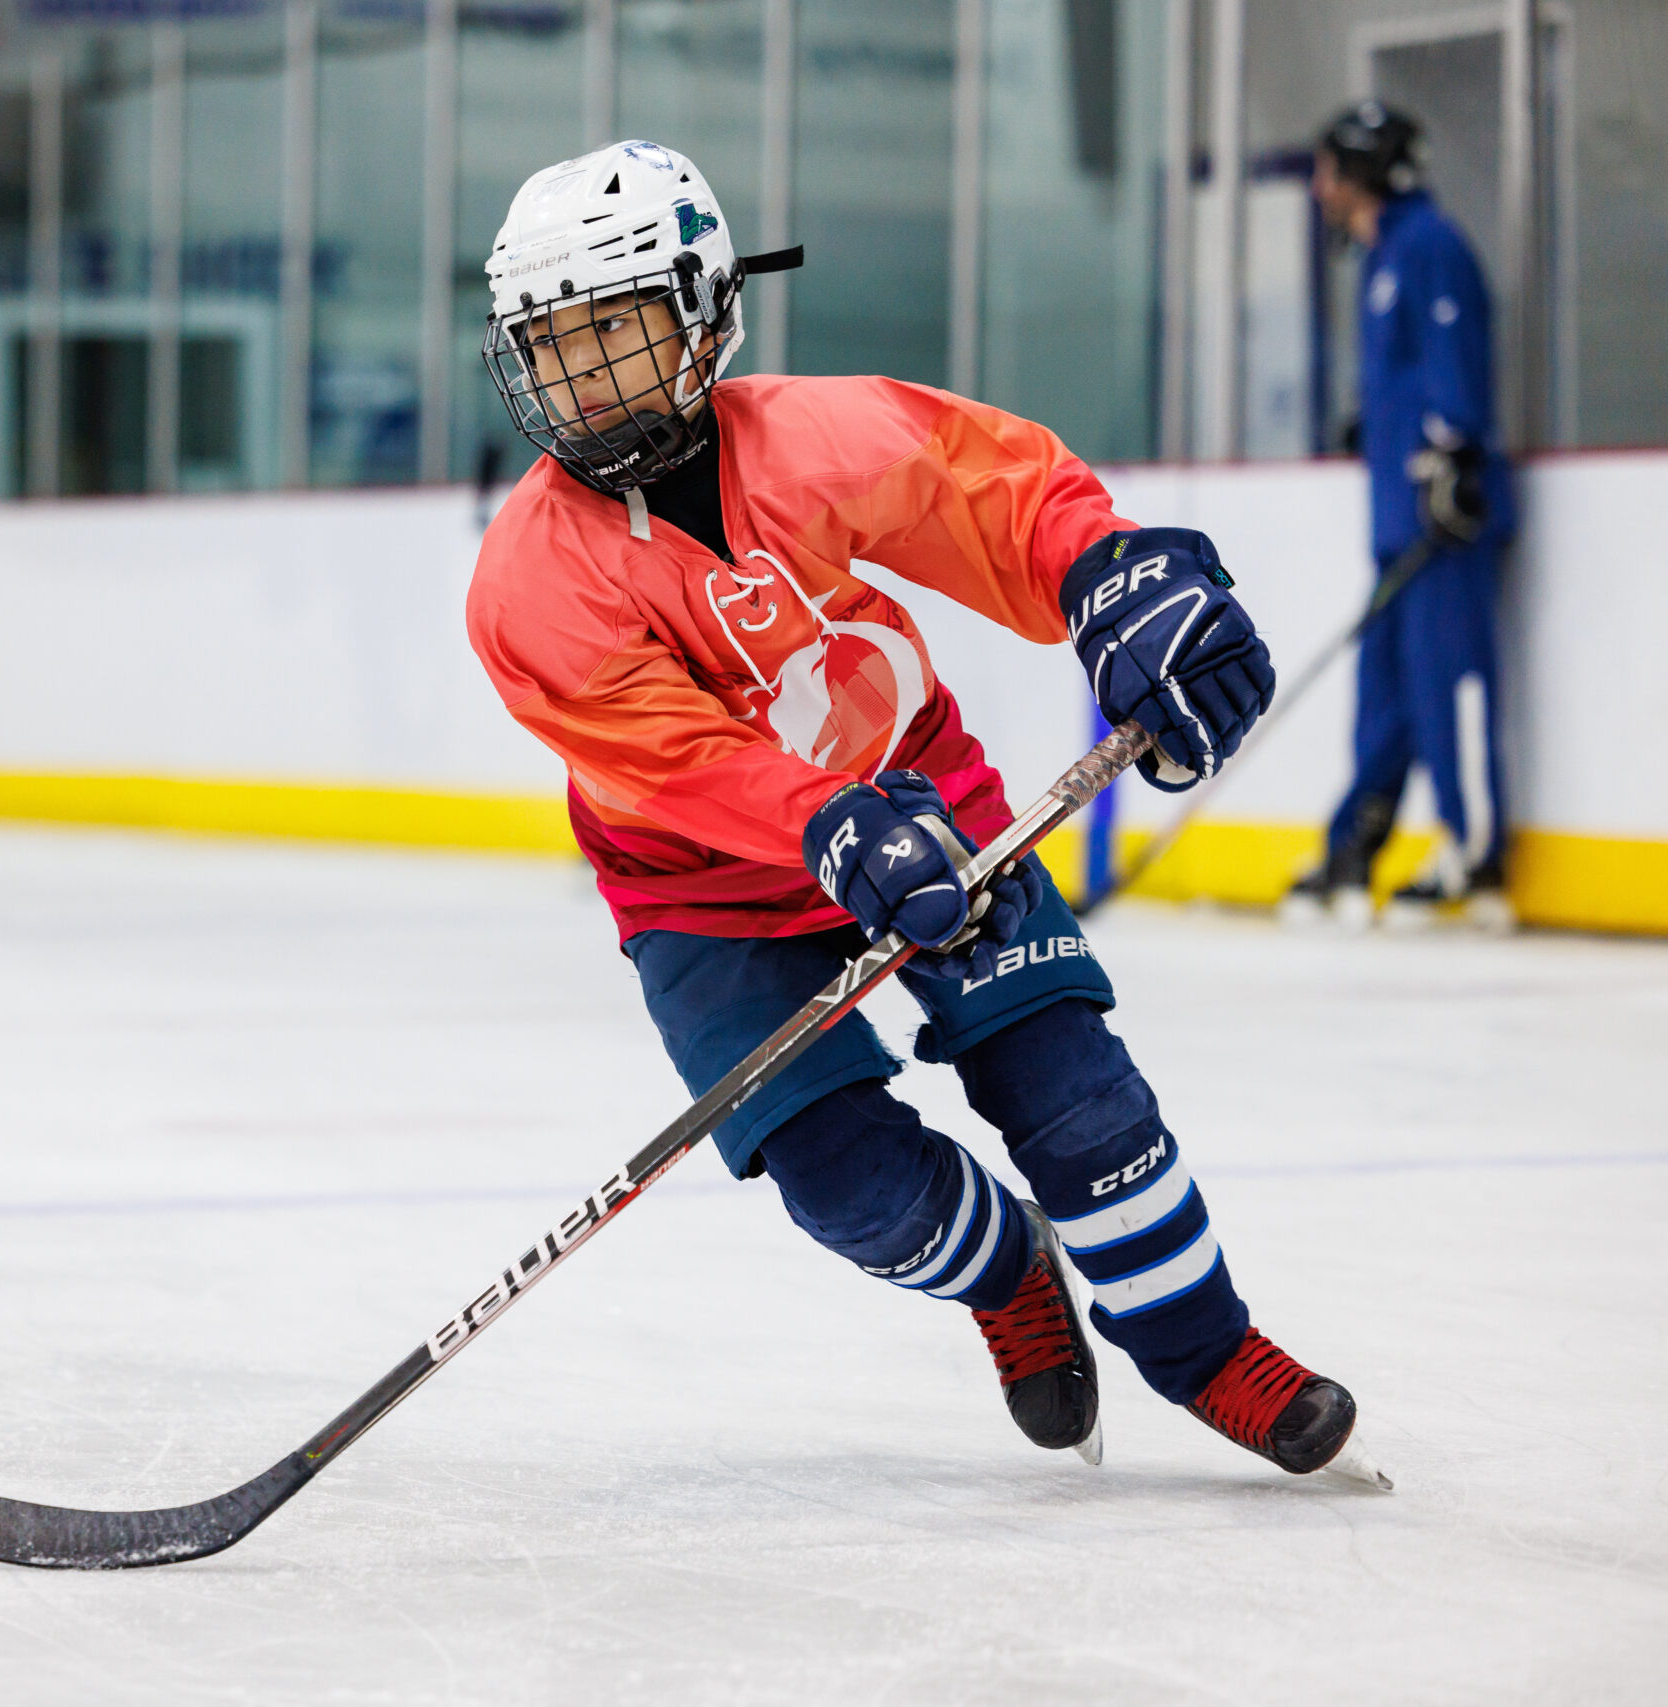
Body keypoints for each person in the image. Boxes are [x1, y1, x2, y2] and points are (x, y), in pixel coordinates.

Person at [465, 141, 1385, 1485]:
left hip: (926, 804)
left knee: (1082, 1108)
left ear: (707, 308)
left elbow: (993, 493)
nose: (581, 373)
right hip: (707, 897)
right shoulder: (528, 583)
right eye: (553, 342)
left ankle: (1209, 1354)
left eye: (615, 327)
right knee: (854, 1188)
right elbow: (670, 765)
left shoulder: (818, 440)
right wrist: (823, 823)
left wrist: (1109, 571)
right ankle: (1010, 1274)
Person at [1286, 101, 1515, 931]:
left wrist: (1455, 458)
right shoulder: (1383, 256)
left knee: (1450, 682)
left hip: (1440, 518)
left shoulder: (1428, 245)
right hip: (1397, 523)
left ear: (1361, 172)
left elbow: (1457, 371)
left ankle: (1473, 853)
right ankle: (1356, 846)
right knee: (1385, 690)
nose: (1319, 189)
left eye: (1327, 171)